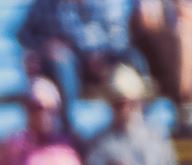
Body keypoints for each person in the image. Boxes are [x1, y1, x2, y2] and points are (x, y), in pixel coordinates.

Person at [17, 0, 147, 135]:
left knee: (135, 59)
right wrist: (45, 46)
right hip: (69, 64)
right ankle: (67, 129)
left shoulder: (106, 3)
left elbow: (119, 36)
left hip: (106, 57)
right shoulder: (46, 4)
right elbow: (24, 35)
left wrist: (101, 56)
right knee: (62, 62)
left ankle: (142, 123)